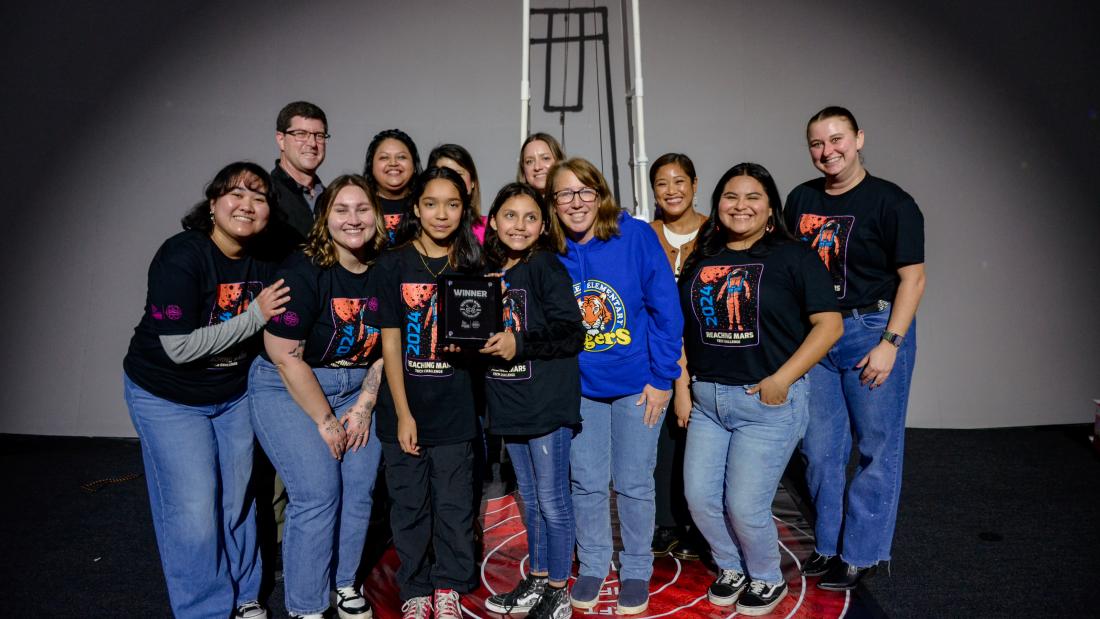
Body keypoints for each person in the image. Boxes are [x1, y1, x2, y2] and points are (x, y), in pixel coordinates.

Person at [122, 162, 290, 619]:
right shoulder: (182, 255)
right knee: (195, 511)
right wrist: (254, 316)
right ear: (213, 204)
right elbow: (178, 348)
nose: (247, 205)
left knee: (237, 501)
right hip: (168, 395)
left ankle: (244, 595)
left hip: (231, 393)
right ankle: (205, 610)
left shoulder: (268, 258)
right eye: (235, 194)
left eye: (258, 198)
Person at [676, 163, 843, 615]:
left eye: (753, 196)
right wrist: (683, 386)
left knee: (744, 505)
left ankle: (767, 577)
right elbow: (682, 329)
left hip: (765, 402)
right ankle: (731, 566)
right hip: (709, 402)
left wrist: (782, 379)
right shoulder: (701, 257)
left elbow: (829, 325)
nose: (741, 205)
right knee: (700, 498)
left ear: (770, 207)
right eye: (731, 196)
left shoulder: (794, 256)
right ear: (718, 204)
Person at [786, 106, 926, 590]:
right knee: (820, 451)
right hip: (817, 335)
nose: (828, 151)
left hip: (872, 329)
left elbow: (913, 277)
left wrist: (891, 342)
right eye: (817, 144)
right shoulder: (801, 198)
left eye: (837, 139)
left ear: (859, 138)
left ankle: (861, 552)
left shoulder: (893, 202)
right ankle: (828, 545)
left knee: (876, 449)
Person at [248, 175, 387, 619]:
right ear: (325, 218)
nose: (353, 219)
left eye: (362, 209)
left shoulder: (388, 268)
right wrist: (327, 421)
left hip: (359, 388)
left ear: (377, 216)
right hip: (289, 386)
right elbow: (285, 355)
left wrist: (364, 406)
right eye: (341, 210)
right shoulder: (304, 268)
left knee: (359, 487)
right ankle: (307, 607)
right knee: (318, 490)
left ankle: (344, 584)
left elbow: (394, 345)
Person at [548, 158, 683, 614]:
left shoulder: (636, 237)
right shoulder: (551, 248)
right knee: (585, 482)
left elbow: (667, 309)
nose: (576, 202)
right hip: (581, 387)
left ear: (601, 194)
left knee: (633, 483)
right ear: (553, 202)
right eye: (565, 193)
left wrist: (663, 379)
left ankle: (637, 569)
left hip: (636, 386)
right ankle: (592, 563)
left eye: (585, 191)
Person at [372, 167, 482, 619]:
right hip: (406, 408)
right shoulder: (392, 264)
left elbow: (481, 338)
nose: (442, 214)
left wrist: (473, 344)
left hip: (456, 408)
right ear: (416, 208)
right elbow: (391, 342)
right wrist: (402, 412)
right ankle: (415, 586)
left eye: (452, 204)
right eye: (432, 204)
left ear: (464, 209)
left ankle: (449, 585)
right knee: (410, 503)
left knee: (455, 506)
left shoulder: (472, 265)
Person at [480, 183, 584, 619]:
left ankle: (558, 590)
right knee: (531, 498)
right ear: (494, 220)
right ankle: (538, 579)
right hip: (509, 402)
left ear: (543, 225)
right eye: (509, 215)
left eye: (530, 217)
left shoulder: (546, 267)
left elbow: (571, 333)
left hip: (546, 404)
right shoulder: (487, 272)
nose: (518, 225)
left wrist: (518, 343)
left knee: (552, 499)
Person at [647, 152, 710, 562]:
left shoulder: (715, 232)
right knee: (663, 439)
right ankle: (667, 523)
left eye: (679, 181)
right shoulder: (645, 234)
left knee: (699, 437)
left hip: (705, 351)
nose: (671, 191)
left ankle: (701, 524)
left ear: (694, 184)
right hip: (658, 350)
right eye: (662, 184)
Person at [271, 101, 329, 239]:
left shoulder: (332, 198)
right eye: (301, 134)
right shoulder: (266, 196)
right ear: (281, 140)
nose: (312, 143)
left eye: (319, 135)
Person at [363, 129, 422, 246]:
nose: (393, 163)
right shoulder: (361, 204)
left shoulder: (425, 204)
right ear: (371, 167)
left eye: (401, 157)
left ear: (414, 165)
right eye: (384, 158)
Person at [427, 143, 487, 243]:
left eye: (458, 174)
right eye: (444, 173)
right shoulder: (420, 229)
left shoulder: (490, 228)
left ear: (472, 182)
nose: (452, 181)